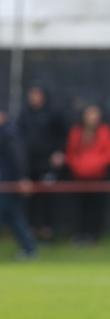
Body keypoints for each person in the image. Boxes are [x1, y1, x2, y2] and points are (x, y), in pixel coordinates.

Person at [17, 86, 68, 241]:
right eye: (31, 94)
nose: (34, 97)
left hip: (47, 163)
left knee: (48, 197)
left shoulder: (53, 114)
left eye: (37, 94)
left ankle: (48, 231)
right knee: (30, 198)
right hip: (29, 164)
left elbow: (63, 135)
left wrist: (59, 152)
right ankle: (31, 230)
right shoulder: (24, 114)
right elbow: (19, 138)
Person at [65, 104, 110, 245]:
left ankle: (93, 235)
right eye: (90, 114)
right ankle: (79, 234)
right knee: (79, 208)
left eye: (95, 114)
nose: (93, 118)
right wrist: (79, 166)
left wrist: (96, 165)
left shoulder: (104, 131)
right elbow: (70, 153)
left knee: (95, 208)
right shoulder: (76, 131)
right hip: (79, 177)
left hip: (98, 177)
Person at [0, 109, 38, 260]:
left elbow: (18, 157)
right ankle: (29, 248)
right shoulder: (7, 132)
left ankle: (30, 249)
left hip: (7, 183)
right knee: (14, 216)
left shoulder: (9, 133)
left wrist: (22, 177)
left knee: (14, 216)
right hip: (6, 182)